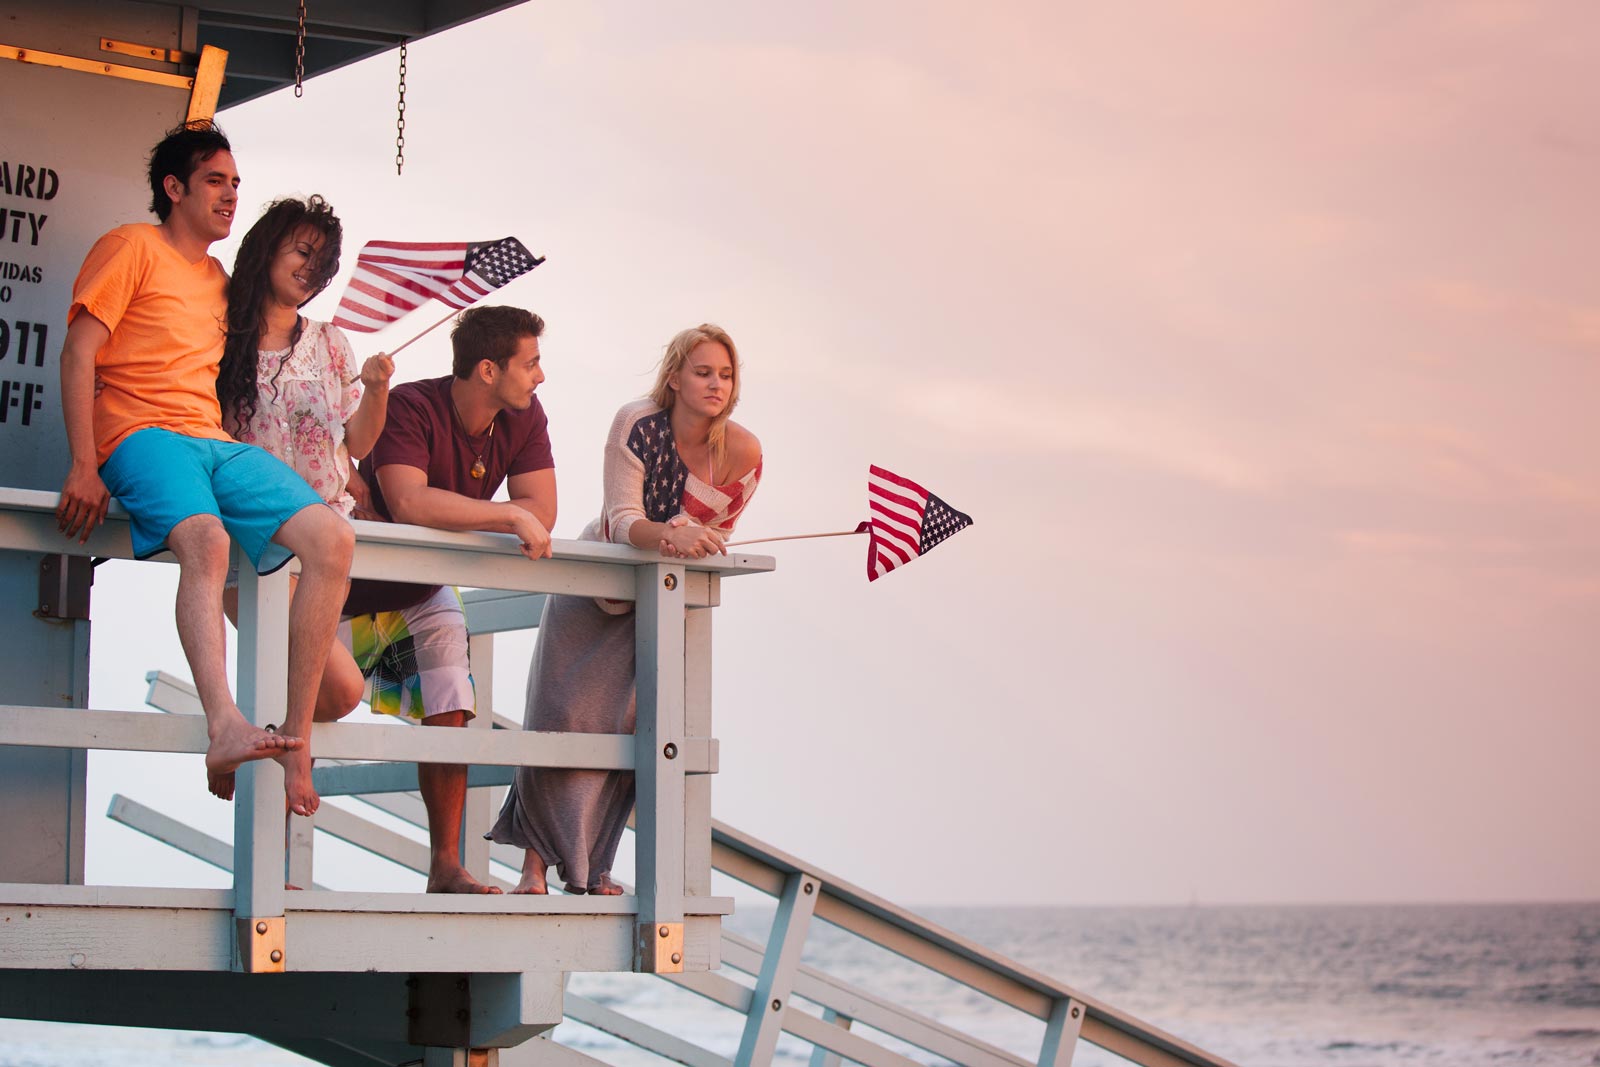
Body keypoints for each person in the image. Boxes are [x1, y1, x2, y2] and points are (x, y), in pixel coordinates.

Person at [53, 120, 354, 816]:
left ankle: (296, 741)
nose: (229, 194)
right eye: (215, 180)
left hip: (211, 440)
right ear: (174, 187)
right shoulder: (131, 246)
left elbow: (282, 324)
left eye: (235, 183)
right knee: (208, 541)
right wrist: (81, 464)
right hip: (140, 434)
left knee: (333, 539)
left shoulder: (221, 281)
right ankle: (224, 726)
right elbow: (77, 354)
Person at [487, 323, 762, 895]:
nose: (715, 384)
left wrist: (695, 540)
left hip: (657, 599)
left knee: (634, 729)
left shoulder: (742, 451)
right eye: (703, 371)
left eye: (726, 374)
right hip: (599, 579)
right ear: (676, 376)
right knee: (559, 716)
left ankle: (594, 869)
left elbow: (714, 536)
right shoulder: (637, 422)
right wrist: (672, 534)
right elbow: (619, 519)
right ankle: (533, 869)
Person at [341, 304, 556, 894]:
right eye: (531, 363)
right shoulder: (409, 405)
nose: (540, 376)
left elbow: (542, 512)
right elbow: (408, 502)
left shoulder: (524, 414)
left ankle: (445, 868)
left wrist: (495, 515)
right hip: (342, 589)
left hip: (422, 587)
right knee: (303, 710)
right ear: (488, 370)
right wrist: (503, 514)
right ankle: (277, 866)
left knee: (451, 698)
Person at [216, 195, 394, 731]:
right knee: (340, 690)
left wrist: (379, 390)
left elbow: (357, 443)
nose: (310, 269)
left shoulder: (331, 343)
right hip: (257, 539)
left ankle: (248, 738)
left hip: (325, 543)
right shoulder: (222, 336)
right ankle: (256, 736)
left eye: (322, 262)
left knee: (316, 687)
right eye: (301, 251)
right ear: (267, 247)